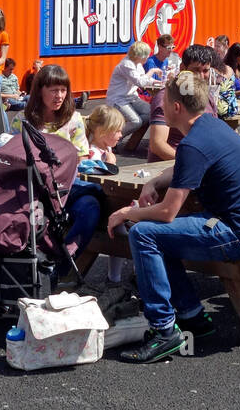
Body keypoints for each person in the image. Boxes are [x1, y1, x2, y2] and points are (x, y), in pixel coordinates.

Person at [109, 71, 240, 363]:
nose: (159, 107)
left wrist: (126, 212)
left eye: (163, 102)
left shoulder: (193, 143)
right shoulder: (210, 127)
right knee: (158, 235)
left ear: (175, 108)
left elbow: (168, 212)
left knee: (142, 233)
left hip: (238, 234)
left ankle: (163, 330)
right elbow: (186, 167)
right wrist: (154, 181)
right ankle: (191, 316)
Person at [12, 64, 102, 260]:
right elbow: (11, 157)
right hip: (33, 191)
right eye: (54, 90)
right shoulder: (22, 120)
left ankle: (62, 264)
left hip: (65, 189)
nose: (60, 96)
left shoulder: (74, 120)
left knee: (91, 206)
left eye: (63, 90)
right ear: (39, 91)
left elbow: (82, 157)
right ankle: (41, 266)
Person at [83, 104, 129, 284]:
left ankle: (117, 276)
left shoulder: (106, 150)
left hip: (109, 204)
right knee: (124, 238)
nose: (120, 135)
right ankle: (115, 278)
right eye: (117, 131)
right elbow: (98, 181)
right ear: (103, 131)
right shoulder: (94, 153)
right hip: (102, 207)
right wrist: (111, 165)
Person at [147, 44, 216, 162]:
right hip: (170, 168)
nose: (200, 76)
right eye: (195, 70)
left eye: (205, 71)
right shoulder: (166, 97)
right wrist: (189, 162)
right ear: (183, 68)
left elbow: (214, 133)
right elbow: (157, 145)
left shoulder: (207, 96)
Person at [105, 42, 158, 151]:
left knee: (150, 112)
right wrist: (152, 71)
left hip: (131, 97)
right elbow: (140, 82)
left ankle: (125, 135)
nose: (148, 57)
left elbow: (144, 78)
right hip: (118, 99)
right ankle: (112, 140)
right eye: (146, 55)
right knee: (135, 121)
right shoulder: (126, 64)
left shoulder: (137, 64)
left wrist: (159, 82)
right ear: (139, 55)